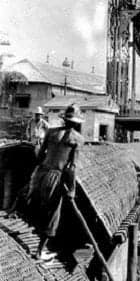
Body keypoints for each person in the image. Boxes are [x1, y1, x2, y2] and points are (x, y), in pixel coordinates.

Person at [27, 104, 84, 260]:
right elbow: (72, 167)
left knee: (39, 207)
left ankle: (37, 241)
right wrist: (71, 190)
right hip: (55, 177)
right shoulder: (77, 139)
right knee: (53, 214)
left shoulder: (51, 133)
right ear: (77, 122)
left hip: (41, 174)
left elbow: (39, 157)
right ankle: (39, 251)